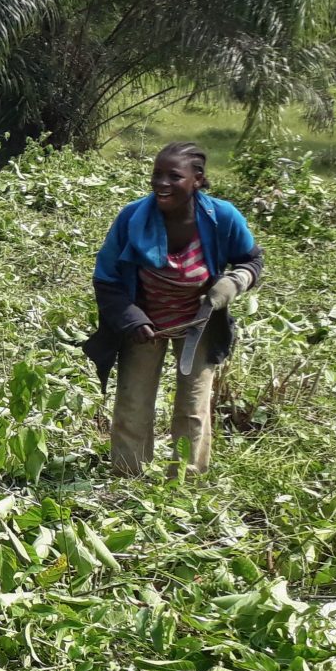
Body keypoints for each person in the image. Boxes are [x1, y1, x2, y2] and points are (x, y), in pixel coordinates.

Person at [82, 143, 262, 476]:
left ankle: (185, 481)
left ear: (197, 179)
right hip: (145, 325)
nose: (162, 183)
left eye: (174, 176)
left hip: (198, 323)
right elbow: (106, 279)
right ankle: (127, 475)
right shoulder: (132, 218)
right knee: (133, 404)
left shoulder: (221, 217)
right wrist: (131, 319)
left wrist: (233, 283)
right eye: (157, 174)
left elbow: (253, 260)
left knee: (193, 407)